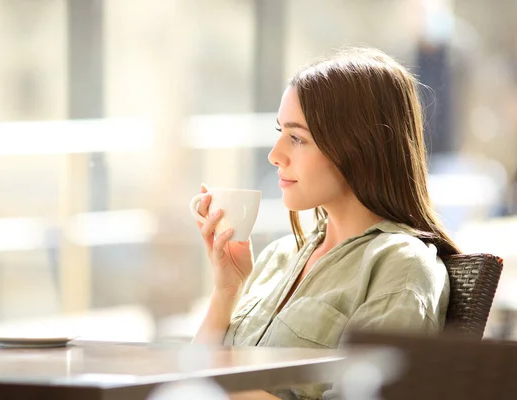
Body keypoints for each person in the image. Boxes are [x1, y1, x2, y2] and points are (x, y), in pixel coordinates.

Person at [192, 47, 459, 400]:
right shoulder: (278, 257)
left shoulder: (400, 267)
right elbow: (191, 375)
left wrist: (217, 392)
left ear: (358, 146)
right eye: (279, 133)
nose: (275, 155)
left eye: (297, 138)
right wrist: (227, 292)